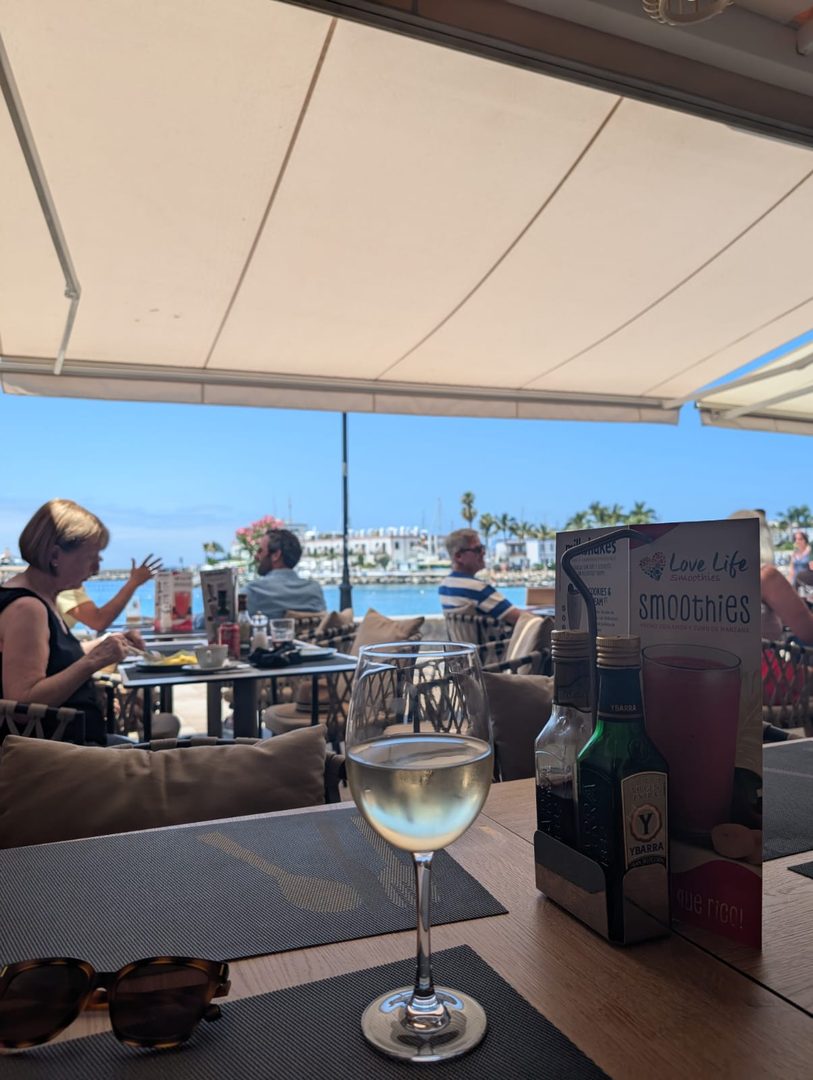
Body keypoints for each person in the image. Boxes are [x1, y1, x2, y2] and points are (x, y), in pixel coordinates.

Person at [0, 499, 144, 746]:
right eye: (91, 558)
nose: (96, 569)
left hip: (74, 747)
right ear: (55, 555)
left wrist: (107, 644)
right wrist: (93, 661)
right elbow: (22, 705)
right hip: (58, 757)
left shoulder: (43, 599)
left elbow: (53, 658)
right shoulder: (27, 608)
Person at [58, 554, 162, 631]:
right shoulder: (65, 587)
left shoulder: (69, 585)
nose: (96, 570)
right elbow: (98, 622)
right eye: (92, 556)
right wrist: (133, 583)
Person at [438, 529, 520, 624]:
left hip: (461, 635)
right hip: (494, 634)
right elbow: (518, 618)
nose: (483, 552)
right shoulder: (475, 588)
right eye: (477, 550)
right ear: (459, 556)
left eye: (482, 548)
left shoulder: (444, 586)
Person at [244, 528, 325, 621]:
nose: (256, 556)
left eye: (260, 551)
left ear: (276, 555)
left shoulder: (254, 591)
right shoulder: (315, 590)